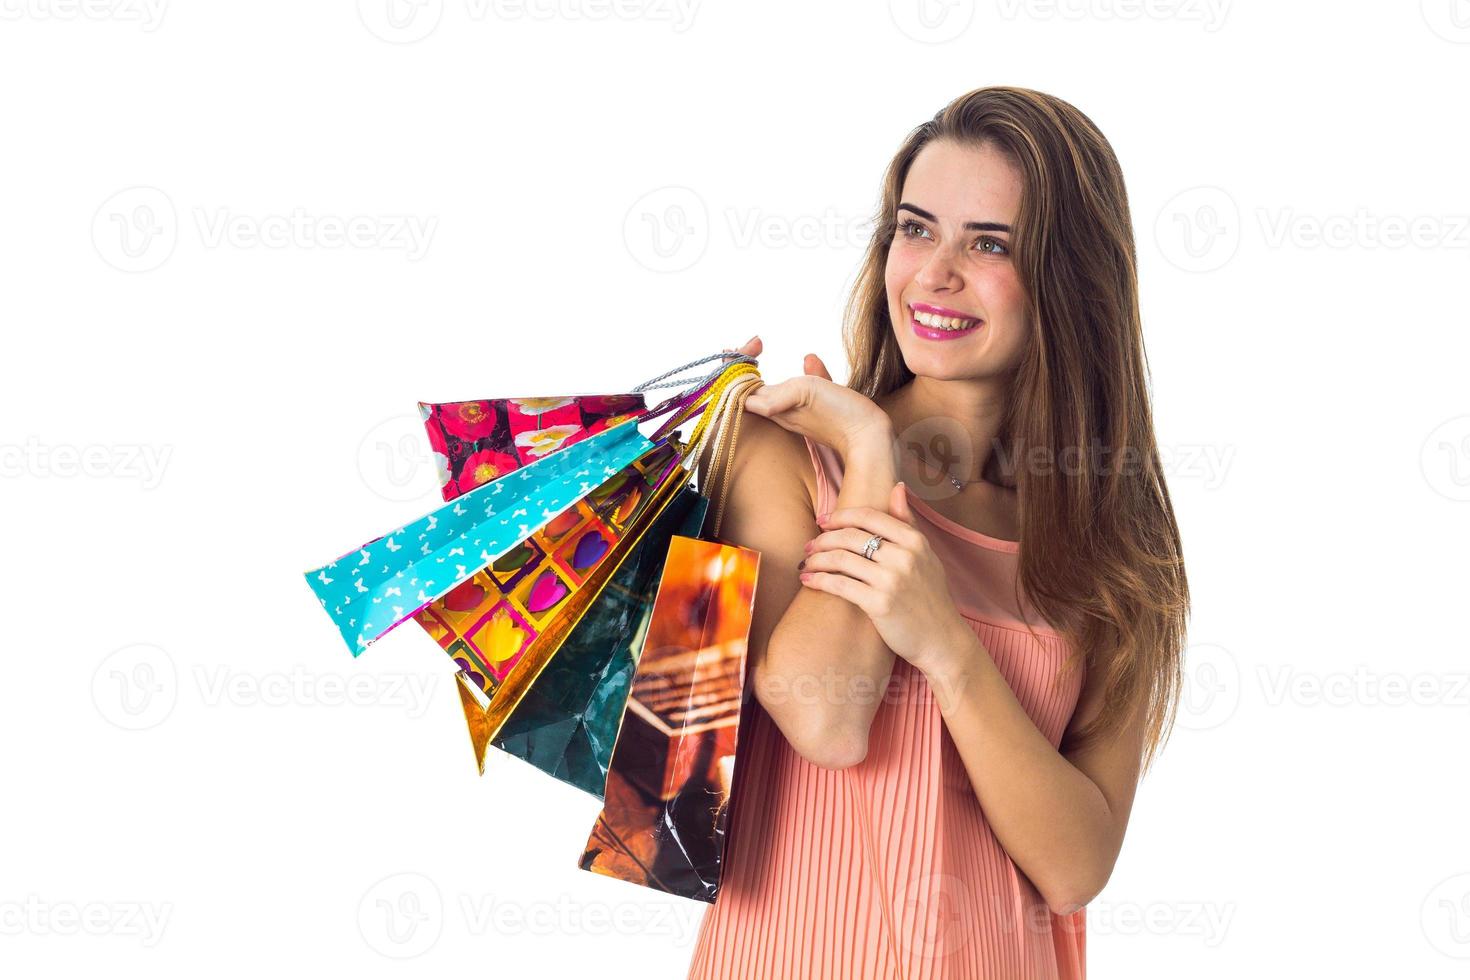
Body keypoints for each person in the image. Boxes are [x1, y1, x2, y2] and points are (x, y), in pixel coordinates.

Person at [685, 86, 1190, 979]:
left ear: (1068, 280)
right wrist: (872, 456)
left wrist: (949, 648)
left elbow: (1075, 867)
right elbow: (824, 720)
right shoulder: (789, 455)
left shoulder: (1114, 538)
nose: (934, 273)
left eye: (988, 243)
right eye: (915, 230)